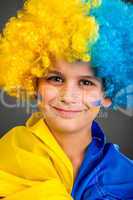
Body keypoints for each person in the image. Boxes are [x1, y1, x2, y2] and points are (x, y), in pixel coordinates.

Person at [0, 0, 133, 199]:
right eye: (55, 79)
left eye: (86, 83)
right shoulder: (8, 157)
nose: (68, 96)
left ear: (107, 95)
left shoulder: (126, 177)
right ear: (34, 85)